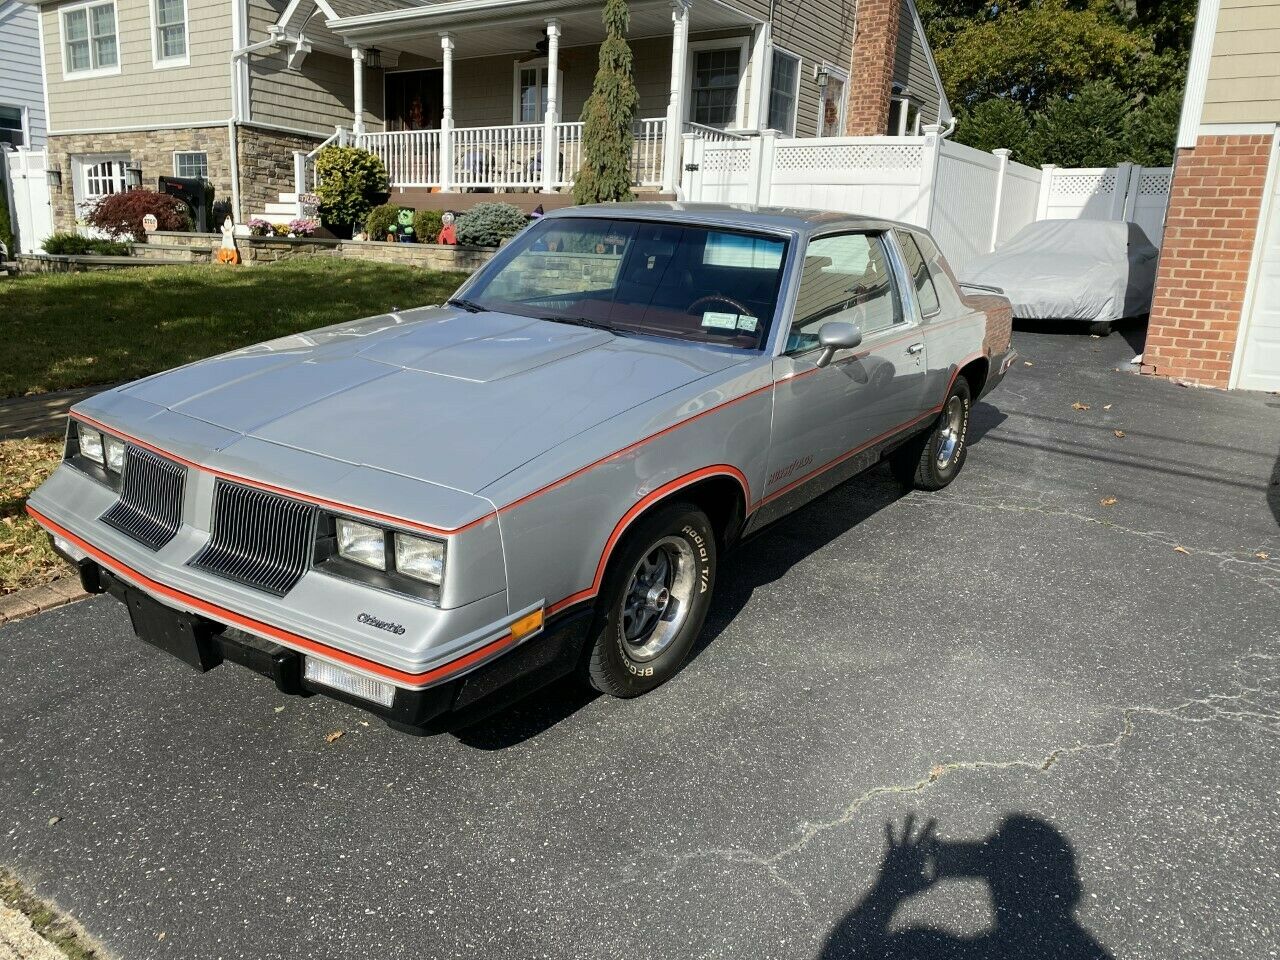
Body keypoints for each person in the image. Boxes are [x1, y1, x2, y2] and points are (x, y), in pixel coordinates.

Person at [821, 814, 1113, 959]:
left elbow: (840, 956)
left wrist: (886, 891)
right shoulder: (1089, 955)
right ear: (1069, 890)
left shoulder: (937, 950)